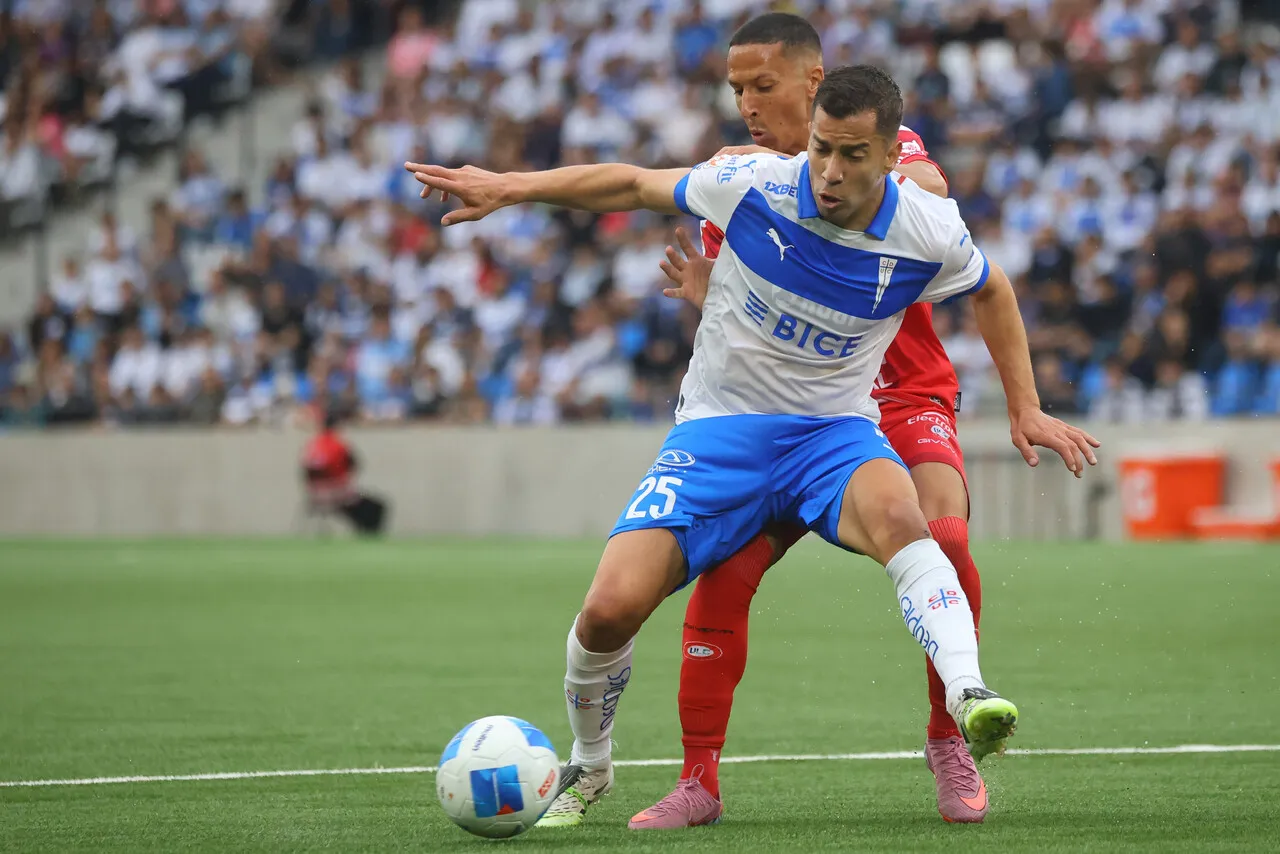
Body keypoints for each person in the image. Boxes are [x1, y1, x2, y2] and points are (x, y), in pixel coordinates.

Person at [406, 64, 1097, 832]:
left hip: (834, 434)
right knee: (608, 611)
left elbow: (993, 288)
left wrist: (1025, 407)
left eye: (852, 156)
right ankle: (593, 764)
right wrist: (512, 188)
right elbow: (631, 183)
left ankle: (966, 696)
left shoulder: (927, 225)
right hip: (720, 433)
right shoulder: (752, 182)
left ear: (888, 156)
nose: (830, 172)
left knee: (915, 525)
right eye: (822, 151)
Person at [633, 13, 996, 829]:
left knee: (948, 537)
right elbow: (748, 333)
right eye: (737, 90)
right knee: (724, 568)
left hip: (901, 396)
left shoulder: (881, 147)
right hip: (790, 414)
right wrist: (705, 293)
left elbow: (931, 199)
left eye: (764, 86)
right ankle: (699, 779)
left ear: (813, 79)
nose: (749, 104)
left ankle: (950, 735)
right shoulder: (739, 185)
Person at [301, 411, 387, 536]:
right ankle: (368, 534)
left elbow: (307, 469)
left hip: (315, 494)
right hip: (340, 493)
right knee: (376, 504)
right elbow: (354, 464)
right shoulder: (338, 444)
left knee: (359, 501)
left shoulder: (312, 445)